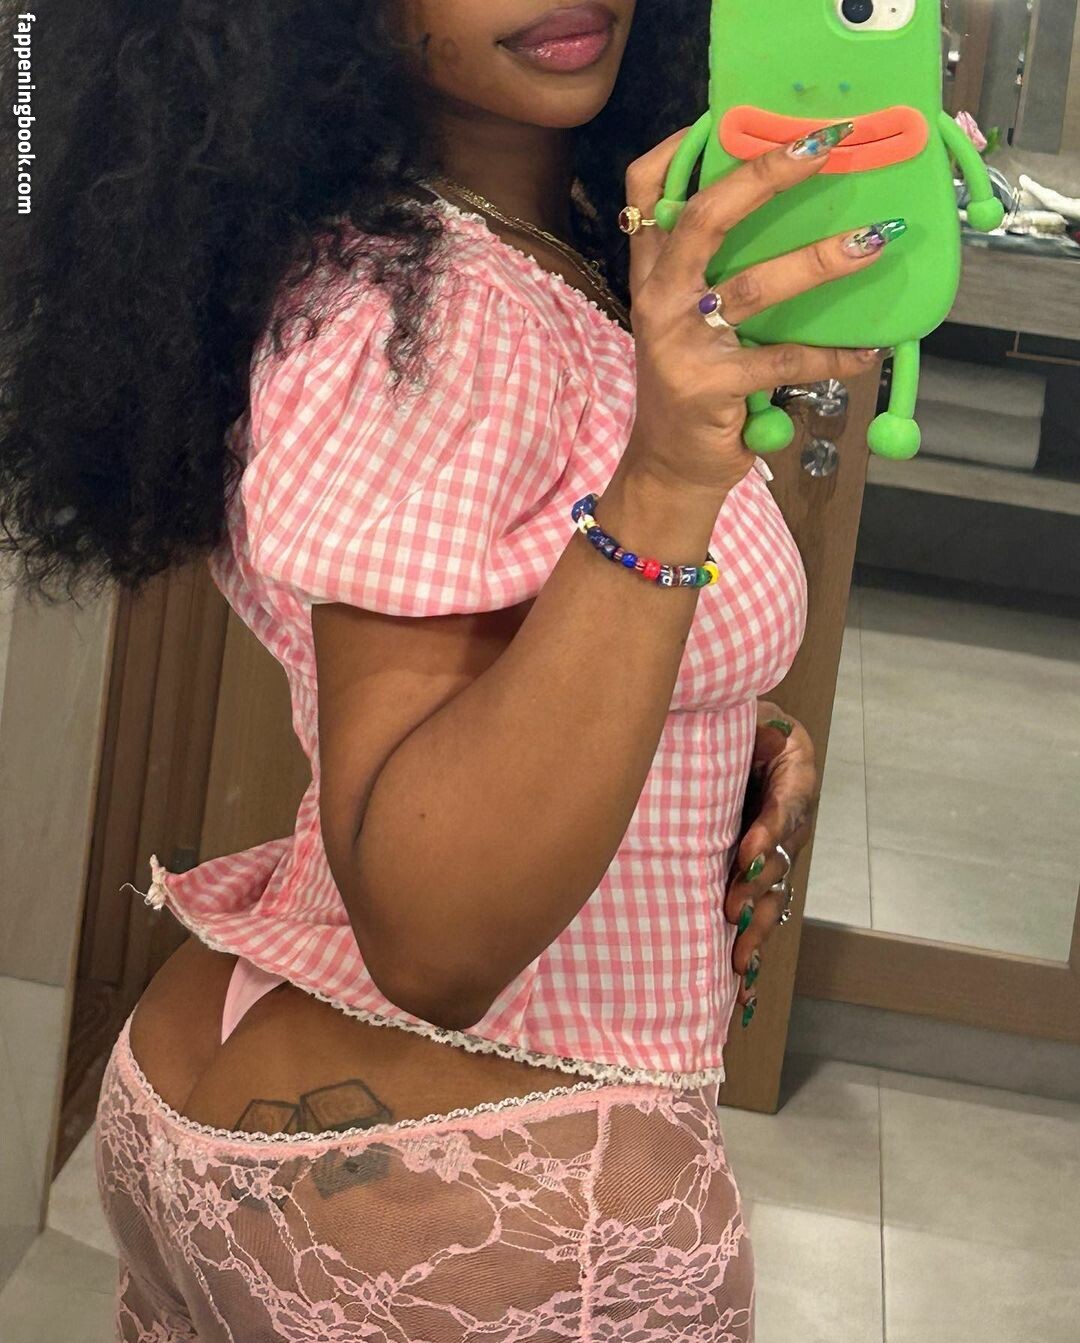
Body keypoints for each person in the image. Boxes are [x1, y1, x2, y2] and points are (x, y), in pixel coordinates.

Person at [0, 2, 890, 1337]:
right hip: (473, 1186)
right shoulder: (428, 309)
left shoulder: (515, 254)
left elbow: (497, 662)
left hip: (294, 1118)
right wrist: (665, 479)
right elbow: (432, 938)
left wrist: (703, 725)